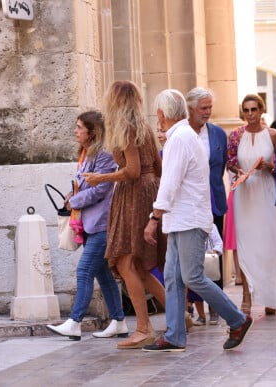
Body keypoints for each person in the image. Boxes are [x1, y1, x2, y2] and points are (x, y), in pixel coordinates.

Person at [143, 89, 252, 352]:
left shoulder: (179, 139)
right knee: (173, 277)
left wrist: (154, 217)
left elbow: (170, 182)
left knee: (192, 276)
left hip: (188, 219)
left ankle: (237, 319)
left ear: (161, 114)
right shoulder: (181, 136)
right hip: (182, 219)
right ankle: (174, 335)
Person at [83, 81, 166, 349]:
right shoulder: (144, 127)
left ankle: (143, 328)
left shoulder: (126, 129)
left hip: (134, 194)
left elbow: (132, 171)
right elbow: (158, 167)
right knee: (138, 267)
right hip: (148, 191)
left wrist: (100, 177)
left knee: (125, 263)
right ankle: (181, 315)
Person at [46, 111, 127, 340]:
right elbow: (84, 184)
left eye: (80, 127)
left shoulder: (104, 155)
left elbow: (101, 189)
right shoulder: (86, 154)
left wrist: (75, 200)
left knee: (84, 271)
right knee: (104, 275)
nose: (75, 131)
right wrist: (73, 192)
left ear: (93, 132)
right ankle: (119, 321)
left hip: (102, 222)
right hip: (89, 223)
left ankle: (75, 322)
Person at [227, 94, 276, 315]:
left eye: (254, 109)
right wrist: (237, 170)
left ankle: (271, 297)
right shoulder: (235, 135)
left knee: (270, 244)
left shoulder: (274, 135)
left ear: (261, 110)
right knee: (245, 245)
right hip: (244, 194)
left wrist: (270, 166)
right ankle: (247, 297)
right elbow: (230, 161)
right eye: (246, 110)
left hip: (266, 191)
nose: (250, 114)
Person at [185, 87, 228, 325]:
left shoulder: (219, 134)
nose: (208, 112)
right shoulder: (181, 133)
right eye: (204, 108)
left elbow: (218, 169)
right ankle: (195, 305)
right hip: (190, 203)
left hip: (213, 200)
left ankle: (217, 306)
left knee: (215, 253)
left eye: (210, 107)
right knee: (193, 254)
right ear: (191, 109)